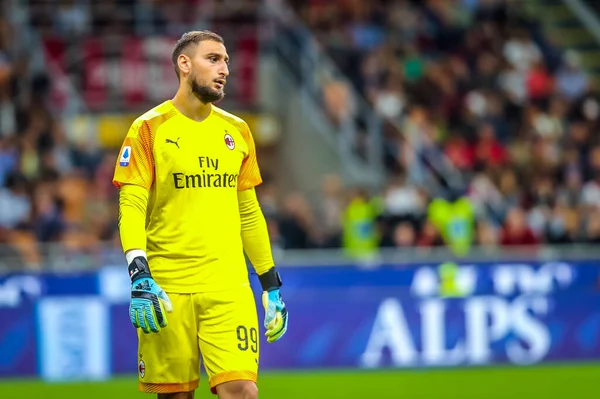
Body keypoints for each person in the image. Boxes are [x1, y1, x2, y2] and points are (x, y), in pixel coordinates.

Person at [112, 30, 288, 399]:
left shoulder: (237, 131)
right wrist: (139, 272)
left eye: (226, 61)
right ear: (184, 64)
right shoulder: (147, 129)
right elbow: (131, 205)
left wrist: (270, 284)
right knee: (176, 396)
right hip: (166, 287)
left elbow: (249, 212)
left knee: (242, 390)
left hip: (228, 286)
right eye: (214, 59)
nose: (225, 68)